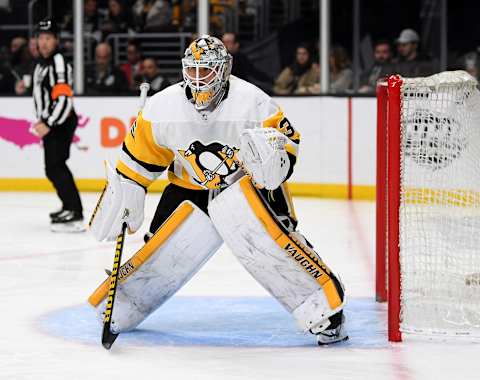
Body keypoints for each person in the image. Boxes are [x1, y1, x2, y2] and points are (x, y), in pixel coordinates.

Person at [88, 35, 347, 346]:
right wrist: (128, 190)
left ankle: (326, 311)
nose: (197, 80)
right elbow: (137, 159)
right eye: (192, 71)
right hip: (188, 186)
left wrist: (274, 160)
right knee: (157, 250)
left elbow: (287, 145)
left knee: (277, 242)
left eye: (206, 71)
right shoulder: (162, 106)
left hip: (248, 185)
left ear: (224, 70)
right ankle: (126, 301)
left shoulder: (254, 102)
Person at [31, 19, 84, 232]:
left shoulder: (58, 62)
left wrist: (49, 123)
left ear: (56, 41)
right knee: (53, 167)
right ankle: (68, 207)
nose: (43, 42)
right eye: (40, 37)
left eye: (48, 38)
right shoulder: (43, 63)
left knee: (56, 166)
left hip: (59, 122)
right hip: (53, 122)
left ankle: (75, 213)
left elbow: (63, 99)